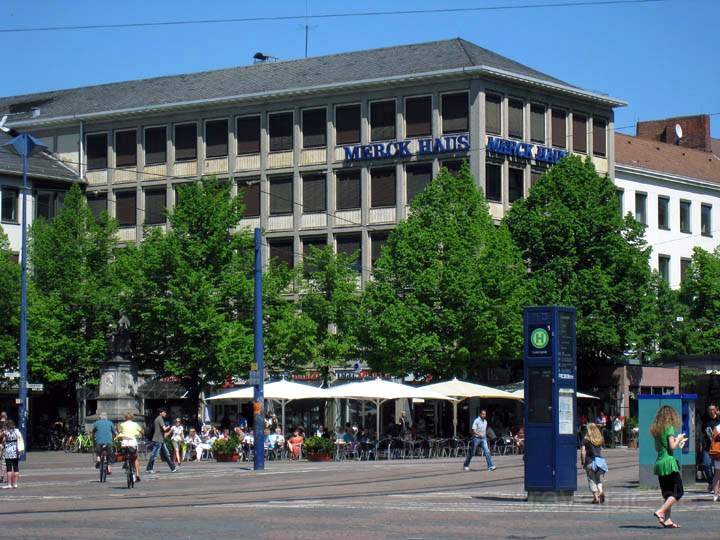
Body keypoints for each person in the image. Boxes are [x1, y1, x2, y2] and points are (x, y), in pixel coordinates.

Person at [651, 405, 688, 529]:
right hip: (669, 463)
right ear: (671, 416)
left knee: (668, 493)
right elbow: (672, 446)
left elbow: (658, 448)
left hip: (660, 463)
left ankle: (667, 520)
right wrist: (679, 439)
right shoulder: (669, 428)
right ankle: (661, 511)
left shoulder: (657, 430)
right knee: (678, 491)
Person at [581, 423, 607, 504]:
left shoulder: (586, 440)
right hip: (599, 462)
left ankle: (596, 498)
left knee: (591, 480)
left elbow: (583, 452)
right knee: (598, 479)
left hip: (590, 462)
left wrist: (583, 461)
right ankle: (601, 491)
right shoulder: (600, 439)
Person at [146, 408, 177, 474]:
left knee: (166, 454)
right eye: (164, 412)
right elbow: (164, 429)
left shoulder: (157, 419)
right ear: (160, 413)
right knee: (154, 455)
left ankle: (173, 468)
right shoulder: (160, 419)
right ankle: (149, 468)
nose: (165, 413)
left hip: (160, 440)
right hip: (158, 440)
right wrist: (169, 426)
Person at [115, 411, 143, 483]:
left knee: (125, 454)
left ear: (125, 417)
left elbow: (118, 430)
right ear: (132, 417)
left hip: (124, 443)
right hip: (132, 443)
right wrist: (141, 434)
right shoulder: (135, 424)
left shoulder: (122, 424)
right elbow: (142, 431)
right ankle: (137, 474)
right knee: (135, 458)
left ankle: (126, 464)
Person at [701, 404, 719, 492]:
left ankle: (716, 485)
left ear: (716, 410)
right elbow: (703, 434)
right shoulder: (705, 421)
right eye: (710, 410)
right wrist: (701, 444)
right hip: (707, 447)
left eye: (713, 409)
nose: (711, 411)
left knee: (717, 468)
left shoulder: (719, 420)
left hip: (718, 448)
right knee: (705, 465)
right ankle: (712, 482)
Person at [1, 419, 21, 489]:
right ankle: (15, 484)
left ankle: (9, 484)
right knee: (16, 468)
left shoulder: (5, 432)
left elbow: (2, 438)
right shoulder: (17, 431)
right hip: (16, 450)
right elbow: (20, 438)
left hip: (8, 451)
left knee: (9, 468)